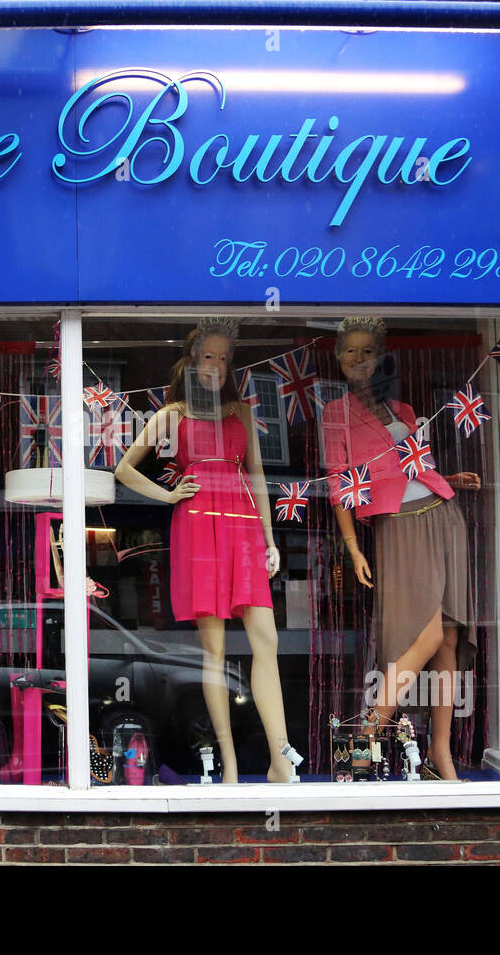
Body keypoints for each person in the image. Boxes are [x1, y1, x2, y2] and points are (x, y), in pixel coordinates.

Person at [115, 317, 297, 783]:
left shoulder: (240, 412)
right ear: (192, 361)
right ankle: (231, 765)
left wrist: (270, 539)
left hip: (242, 529)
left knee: (267, 641)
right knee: (213, 651)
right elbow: (124, 469)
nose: (216, 365)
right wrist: (168, 495)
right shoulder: (171, 414)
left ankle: (280, 758)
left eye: (223, 357)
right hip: (197, 529)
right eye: (208, 357)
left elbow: (257, 477)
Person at [323, 316, 480, 780]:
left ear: (380, 356)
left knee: (448, 637)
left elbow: (411, 469)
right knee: (426, 635)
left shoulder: (407, 410)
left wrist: (448, 481)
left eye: (366, 351)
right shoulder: (337, 414)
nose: (357, 359)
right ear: (337, 357)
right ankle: (365, 737)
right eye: (349, 351)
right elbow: (338, 482)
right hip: (400, 526)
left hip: (443, 515)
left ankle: (440, 754)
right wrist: (353, 546)